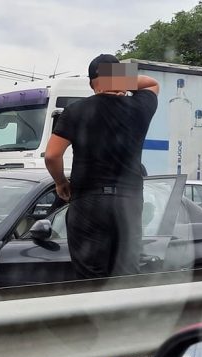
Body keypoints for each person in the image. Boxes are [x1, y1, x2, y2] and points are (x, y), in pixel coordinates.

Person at [44, 54, 160, 279]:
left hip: (89, 203)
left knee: (90, 276)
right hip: (130, 202)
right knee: (127, 274)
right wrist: (120, 79)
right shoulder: (139, 107)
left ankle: (95, 312)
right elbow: (152, 83)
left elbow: (52, 155)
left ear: (91, 82)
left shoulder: (77, 110)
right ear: (119, 78)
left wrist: (60, 182)